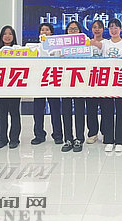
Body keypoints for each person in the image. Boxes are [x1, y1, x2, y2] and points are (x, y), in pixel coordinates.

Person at [97, 18, 122, 152]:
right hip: (107, 81)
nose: (113, 30)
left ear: (120, 29)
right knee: (107, 111)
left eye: (116, 27)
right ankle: (108, 140)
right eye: (111, 27)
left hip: (121, 80)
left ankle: (120, 140)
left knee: (120, 110)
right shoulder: (104, 43)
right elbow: (93, 46)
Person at [32, 22, 63, 145]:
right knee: (38, 110)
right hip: (38, 81)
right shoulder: (35, 47)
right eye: (42, 30)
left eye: (47, 30)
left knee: (55, 109)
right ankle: (39, 135)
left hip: (53, 80)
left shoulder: (57, 47)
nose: (44, 32)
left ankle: (58, 135)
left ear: (51, 33)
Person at [0, 26, 21, 149]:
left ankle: (14, 139)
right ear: (1, 36)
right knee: (2, 113)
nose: (7, 36)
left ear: (13, 36)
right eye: (5, 34)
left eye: (10, 34)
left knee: (14, 112)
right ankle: (2, 139)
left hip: (15, 85)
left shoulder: (19, 50)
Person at [61, 21, 86, 152]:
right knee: (66, 110)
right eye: (70, 29)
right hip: (65, 81)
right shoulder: (61, 45)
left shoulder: (85, 44)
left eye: (75, 29)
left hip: (79, 81)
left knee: (79, 110)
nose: (72, 31)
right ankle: (68, 138)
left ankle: (79, 139)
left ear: (80, 31)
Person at [86, 20, 105, 144]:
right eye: (94, 27)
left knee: (105, 108)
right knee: (91, 108)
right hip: (90, 80)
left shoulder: (107, 43)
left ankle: (105, 132)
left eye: (99, 27)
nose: (97, 29)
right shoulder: (87, 43)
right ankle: (92, 133)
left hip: (104, 80)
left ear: (103, 29)